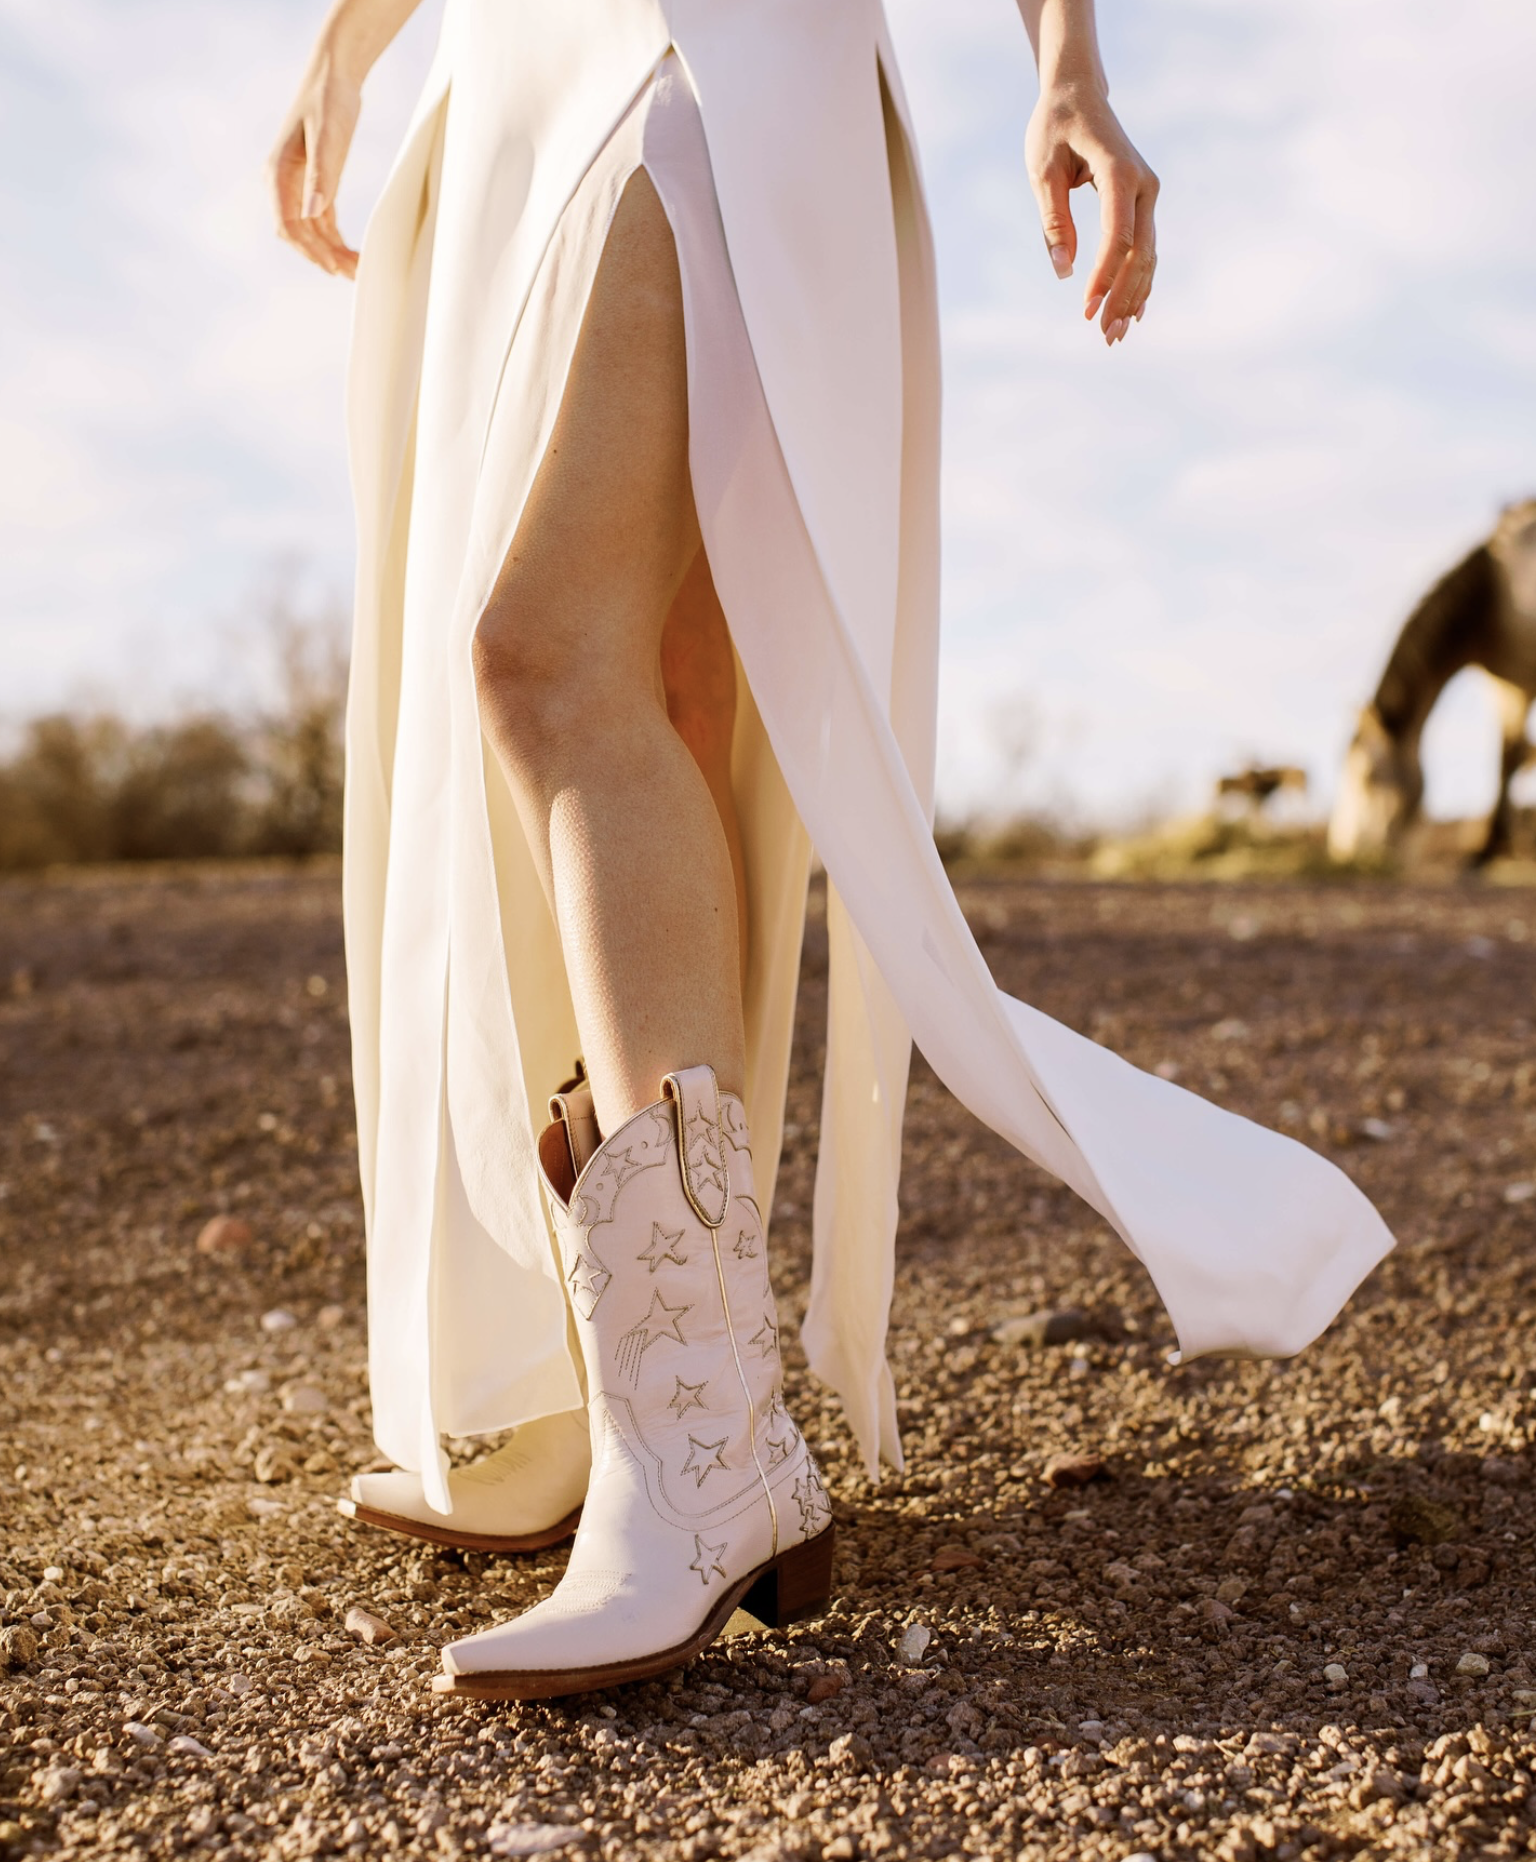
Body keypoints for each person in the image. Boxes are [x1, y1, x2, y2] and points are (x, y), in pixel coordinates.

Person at [268, 0, 1393, 1701]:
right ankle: (661, 1411)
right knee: (670, 681)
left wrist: (1067, 58)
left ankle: (701, 1447)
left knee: (542, 656)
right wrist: (346, 49)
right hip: (516, 53)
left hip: (711, 43)